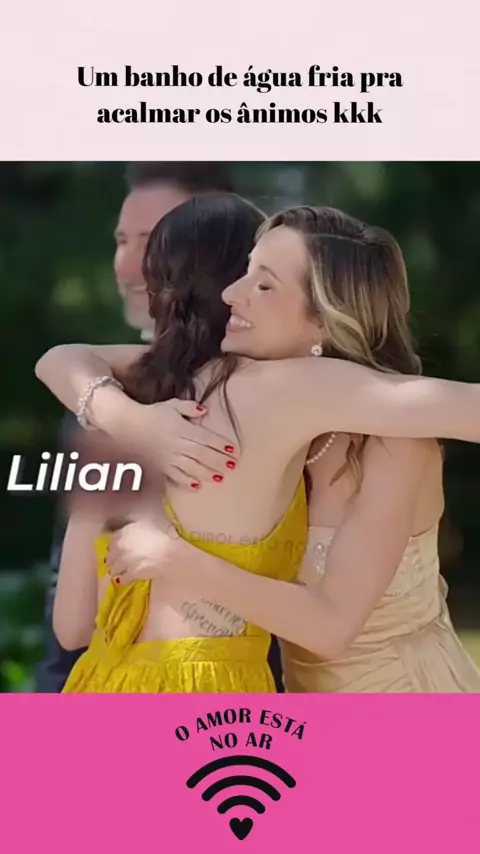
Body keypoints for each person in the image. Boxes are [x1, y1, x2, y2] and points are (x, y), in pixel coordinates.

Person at [36, 201, 480, 694]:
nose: (232, 294)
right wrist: (133, 420)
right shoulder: (226, 389)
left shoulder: (376, 435)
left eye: (264, 284)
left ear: (325, 321)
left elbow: (329, 628)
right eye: (244, 272)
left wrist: (176, 558)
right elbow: (63, 359)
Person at [35, 161, 262, 693]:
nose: (131, 264)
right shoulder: (101, 397)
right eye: (122, 240)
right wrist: (131, 421)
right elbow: (70, 621)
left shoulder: (266, 396)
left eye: (157, 240)